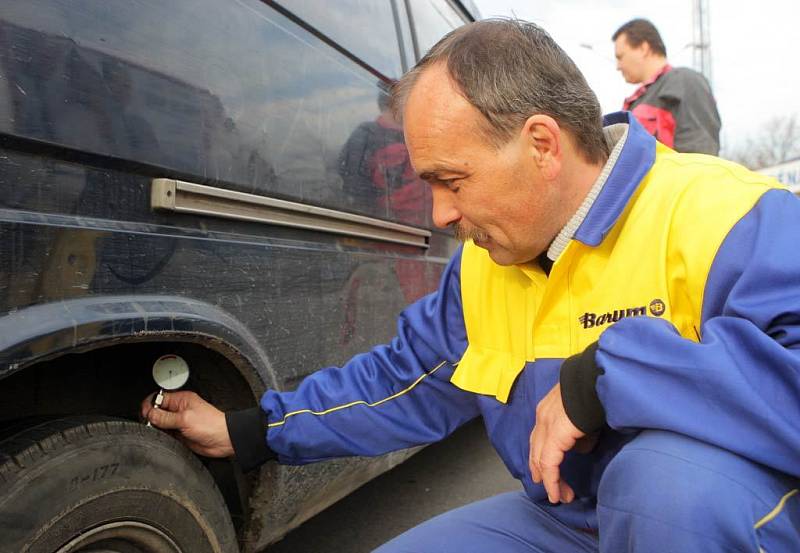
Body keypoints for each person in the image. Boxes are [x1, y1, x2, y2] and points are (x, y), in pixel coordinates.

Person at [142, 19, 800, 552]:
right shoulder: (483, 266)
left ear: (541, 144)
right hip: (568, 521)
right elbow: (399, 381)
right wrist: (250, 429)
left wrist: (608, 375)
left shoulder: (728, 215)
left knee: (672, 489)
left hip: (701, 514)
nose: (439, 216)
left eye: (451, 181)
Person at [613, 18, 721, 155]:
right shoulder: (638, 101)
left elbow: (702, 155)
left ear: (643, 48)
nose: (618, 66)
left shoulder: (685, 82)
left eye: (620, 57)